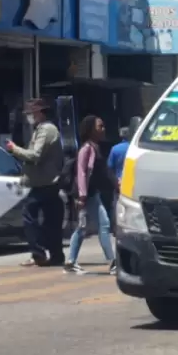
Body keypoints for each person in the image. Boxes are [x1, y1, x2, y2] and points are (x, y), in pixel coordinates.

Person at [7, 98, 66, 267]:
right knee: (51, 222)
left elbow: (35, 155)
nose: (28, 117)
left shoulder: (46, 130)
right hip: (47, 182)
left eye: (30, 114)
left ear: (40, 113)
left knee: (29, 215)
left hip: (46, 183)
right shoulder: (43, 129)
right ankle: (55, 255)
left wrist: (14, 149)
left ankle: (38, 252)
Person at [66, 115, 116, 275]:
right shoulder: (86, 148)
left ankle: (71, 262)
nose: (103, 129)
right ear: (91, 129)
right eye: (100, 126)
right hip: (86, 196)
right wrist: (82, 195)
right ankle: (112, 262)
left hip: (93, 194)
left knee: (84, 228)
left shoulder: (95, 147)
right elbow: (81, 173)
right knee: (100, 225)